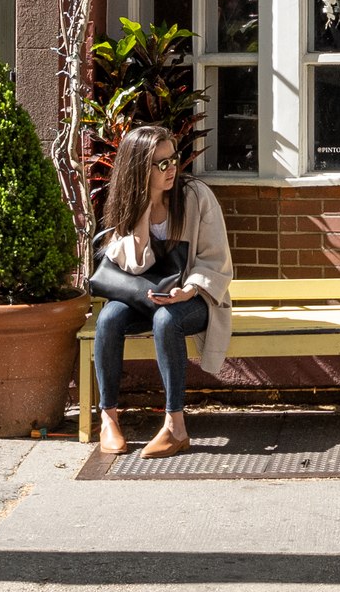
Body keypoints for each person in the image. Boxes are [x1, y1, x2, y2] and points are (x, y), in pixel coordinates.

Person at [92, 123, 235, 458]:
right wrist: (142, 211)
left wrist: (188, 290)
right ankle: (108, 419)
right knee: (109, 318)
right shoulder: (127, 203)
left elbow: (217, 260)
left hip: (195, 298)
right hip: (144, 294)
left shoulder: (196, 196)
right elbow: (131, 267)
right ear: (140, 169)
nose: (172, 169)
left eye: (174, 159)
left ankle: (175, 427)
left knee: (167, 321)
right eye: (161, 164)